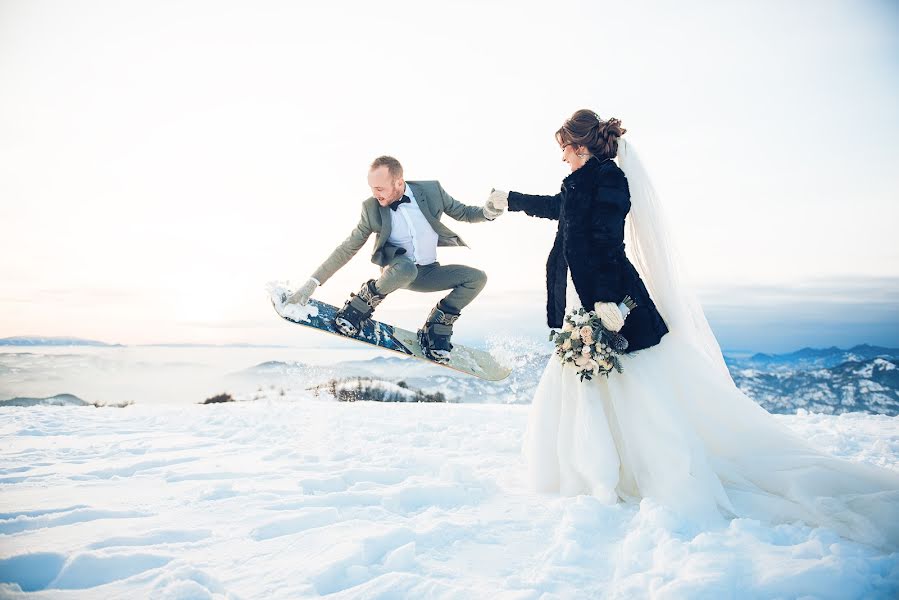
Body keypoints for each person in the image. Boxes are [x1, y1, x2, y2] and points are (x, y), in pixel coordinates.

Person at [490, 109, 899, 550]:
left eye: (564, 149)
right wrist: (509, 199)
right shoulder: (579, 181)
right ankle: (594, 469)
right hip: (590, 300)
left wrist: (609, 303)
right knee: (593, 383)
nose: (562, 158)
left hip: (613, 300)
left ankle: (652, 468)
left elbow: (607, 242)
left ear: (581, 145)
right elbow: (560, 211)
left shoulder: (609, 180)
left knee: (637, 385)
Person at [285, 155, 504, 362]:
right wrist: (311, 283)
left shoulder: (431, 190)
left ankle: (437, 327)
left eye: (380, 188)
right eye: (372, 188)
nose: (375, 194)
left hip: (428, 272)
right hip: (398, 270)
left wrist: (488, 211)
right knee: (407, 269)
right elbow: (347, 248)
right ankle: (361, 304)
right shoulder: (371, 209)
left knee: (477, 278)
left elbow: (463, 212)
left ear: (398, 183)